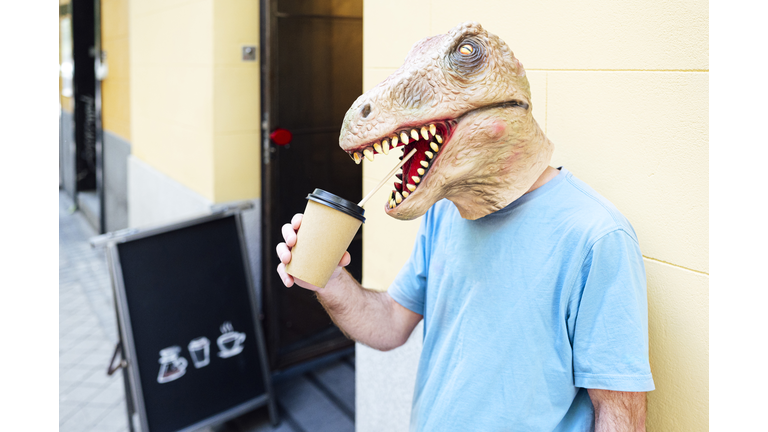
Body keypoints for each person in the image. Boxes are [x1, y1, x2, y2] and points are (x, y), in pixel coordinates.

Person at [277, 21, 653, 432]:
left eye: (467, 57)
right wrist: (328, 278)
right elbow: (388, 324)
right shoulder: (445, 210)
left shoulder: (597, 237)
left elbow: (619, 414)